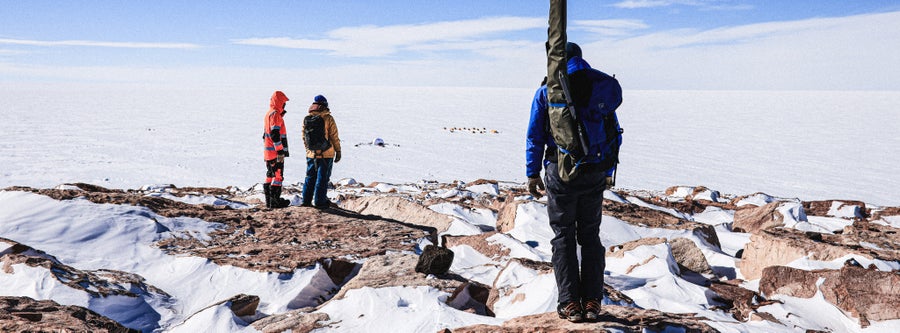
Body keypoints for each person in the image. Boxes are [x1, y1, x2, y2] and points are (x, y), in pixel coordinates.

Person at [525, 42, 622, 322]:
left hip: (561, 172)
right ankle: (592, 301)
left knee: (563, 235)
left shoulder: (548, 91)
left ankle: (569, 304)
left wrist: (532, 173)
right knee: (590, 236)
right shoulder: (599, 87)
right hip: (593, 170)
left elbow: (535, 136)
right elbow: (613, 132)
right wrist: (608, 171)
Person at [301, 95, 341, 208]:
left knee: (309, 177)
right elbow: (334, 137)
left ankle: (306, 201)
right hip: (326, 154)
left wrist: (309, 150)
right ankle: (319, 202)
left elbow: (304, 137)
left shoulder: (307, 118)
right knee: (322, 178)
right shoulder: (328, 118)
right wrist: (338, 151)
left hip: (311, 154)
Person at [262, 90, 292, 208]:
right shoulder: (275, 115)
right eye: (283, 102)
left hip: (268, 152)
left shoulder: (269, 113)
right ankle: (275, 202)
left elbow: (266, 134)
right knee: (278, 176)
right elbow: (275, 134)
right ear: (279, 102)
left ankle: (269, 201)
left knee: (270, 175)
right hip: (275, 152)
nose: (285, 105)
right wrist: (280, 150)